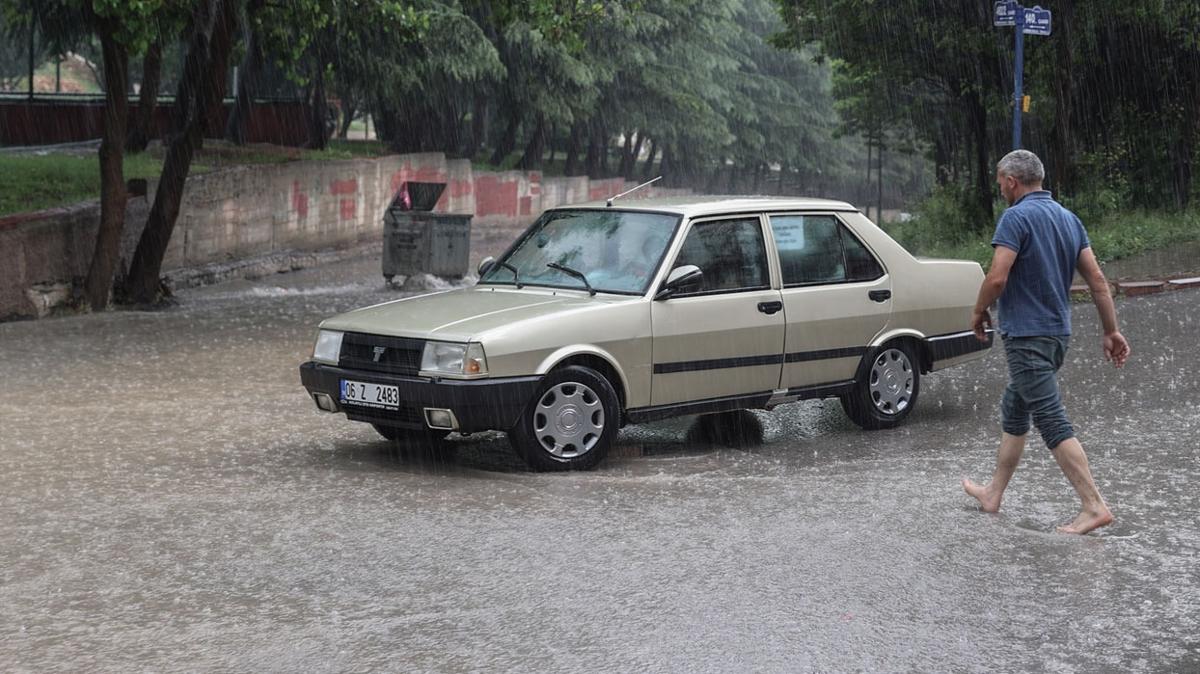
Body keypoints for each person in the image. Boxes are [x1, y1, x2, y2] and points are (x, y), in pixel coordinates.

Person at [962, 149, 1130, 535]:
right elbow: (1098, 282)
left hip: (1026, 336)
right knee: (1015, 408)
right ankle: (993, 493)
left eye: (1000, 181)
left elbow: (997, 278)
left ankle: (1093, 505)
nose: (1001, 188)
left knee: (1050, 418)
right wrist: (1111, 330)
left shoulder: (1015, 217)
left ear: (1011, 181)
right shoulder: (1069, 219)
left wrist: (978, 310)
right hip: (1057, 335)